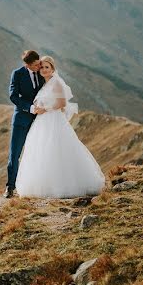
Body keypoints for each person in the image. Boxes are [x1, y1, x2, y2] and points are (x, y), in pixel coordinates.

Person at [15, 56, 106, 199]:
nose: (44, 70)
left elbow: (62, 103)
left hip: (52, 119)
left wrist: (46, 108)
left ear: (52, 69)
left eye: (47, 67)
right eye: (42, 67)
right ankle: (44, 184)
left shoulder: (56, 82)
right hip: (42, 121)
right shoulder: (45, 84)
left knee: (56, 148)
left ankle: (64, 184)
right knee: (42, 150)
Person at [5, 49, 45, 198]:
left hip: (40, 121)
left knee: (38, 153)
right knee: (15, 153)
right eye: (35, 65)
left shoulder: (42, 72)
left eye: (39, 63)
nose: (38, 66)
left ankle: (36, 185)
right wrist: (31, 108)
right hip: (21, 119)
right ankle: (10, 187)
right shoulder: (17, 74)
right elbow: (13, 96)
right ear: (27, 65)